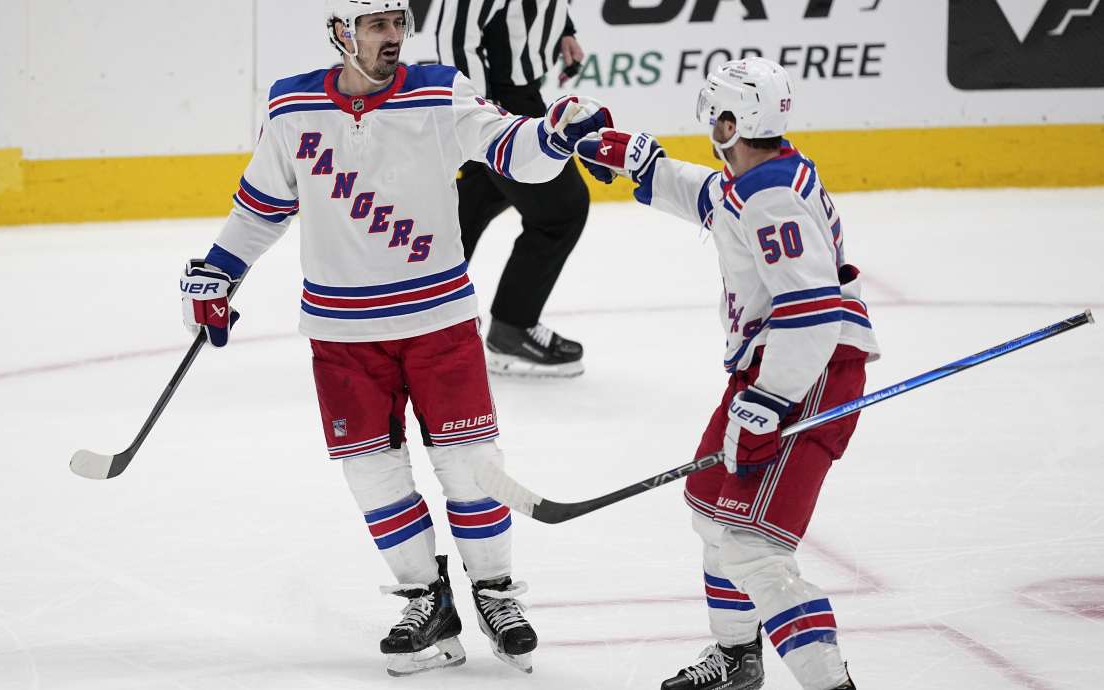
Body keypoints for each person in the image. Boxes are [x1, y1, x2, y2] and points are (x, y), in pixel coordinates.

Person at [177, 0, 610, 676]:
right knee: (371, 474)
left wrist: (553, 136)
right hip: (342, 334)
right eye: (376, 25)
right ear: (340, 32)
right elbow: (261, 209)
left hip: (439, 322)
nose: (392, 37)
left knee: (472, 466)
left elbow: (510, 147)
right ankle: (425, 597)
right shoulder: (291, 107)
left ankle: (495, 592)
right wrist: (217, 272)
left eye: (398, 23)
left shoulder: (438, 92)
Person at [576, 58, 880, 690]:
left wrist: (770, 400)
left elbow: (811, 307)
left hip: (807, 371)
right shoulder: (757, 178)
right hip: (774, 368)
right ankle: (738, 658)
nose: (710, 125)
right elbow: (712, 198)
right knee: (715, 516)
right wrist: (643, 165)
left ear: (732, 122)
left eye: (716, 115)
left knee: (753, 547)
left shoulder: (771, 197)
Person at [436, 0, 592, 378]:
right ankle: (511, 327)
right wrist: (480, 113)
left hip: (506, 98)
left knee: (467, 209)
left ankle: (413, 315)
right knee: (561, 211)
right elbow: (457, 35)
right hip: (499, 102)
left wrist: (563, 28)